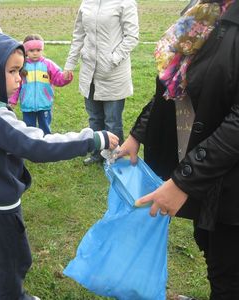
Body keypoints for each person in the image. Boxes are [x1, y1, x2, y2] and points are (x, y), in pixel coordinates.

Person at [0, 31, 119, 300]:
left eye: (21, 70)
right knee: (15, 257)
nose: (20, 78)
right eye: (13, 71)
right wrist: (92, 138)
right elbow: (39, 146)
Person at [118, 1, 239, 299]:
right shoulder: (200, 11)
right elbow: (171, 85)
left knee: (229, 267)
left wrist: (185, 179)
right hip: (206, 171)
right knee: (209, 244)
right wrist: (138, 132)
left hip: (230, 178)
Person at [63, 0, 139, 165]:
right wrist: (70, 64)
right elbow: (79, 35)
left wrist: (113, 59)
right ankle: (98, 154)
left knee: (112, 120)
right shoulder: (86, 3)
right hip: (89, 71)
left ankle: (114, 158)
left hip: (113, 73)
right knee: (95, 118)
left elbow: (132, 36)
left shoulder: (125, 3)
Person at [8, 34, 73, 135]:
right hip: (27, 105)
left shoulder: (48, 64)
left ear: (42, 49)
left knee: (45, 129)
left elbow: (57, 79)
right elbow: (17, 85)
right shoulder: (22, 66)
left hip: (44, 104)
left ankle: (46, 147)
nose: (35, 53)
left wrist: (65, 78)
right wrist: (12, 100)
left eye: (38, 50)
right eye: (31, 51)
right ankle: (30, 148)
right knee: (29, 131)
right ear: (25, 51)